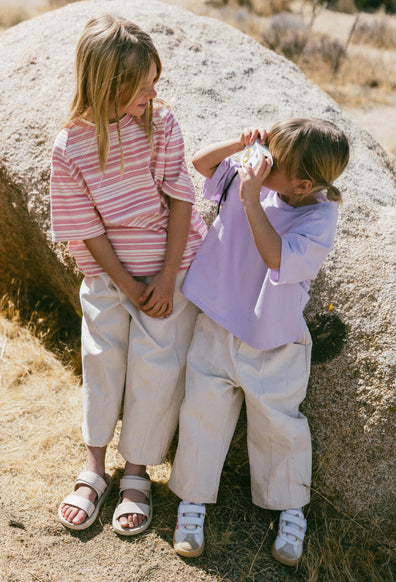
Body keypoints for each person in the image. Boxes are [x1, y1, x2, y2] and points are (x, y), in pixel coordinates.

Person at [50, 14, 207, 535]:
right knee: (102, 361)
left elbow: (181, 198)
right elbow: (86, 227)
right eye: (141, 87)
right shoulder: (69, 147)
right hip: (107, 275)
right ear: (105, 85)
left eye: (154, 82)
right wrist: (126, 284)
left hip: (167, 273)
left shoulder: (160, 124)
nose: (151, 93)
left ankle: (136, 470)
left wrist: (163, 281)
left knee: (157, 368)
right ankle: (94, 466)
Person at [169, 118, 350, 565]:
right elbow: (200, 162)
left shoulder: (318, 216)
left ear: (303, 183)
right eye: (267, 148)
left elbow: (276, 256)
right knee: (202, 412)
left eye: (274, 158)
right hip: (217, 320)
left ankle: (291, 509)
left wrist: (252, 199)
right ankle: (192, 503)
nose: (262, 160)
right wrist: (244, 141)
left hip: (274, 340)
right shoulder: (254, 177)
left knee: (279, 426)